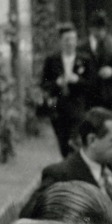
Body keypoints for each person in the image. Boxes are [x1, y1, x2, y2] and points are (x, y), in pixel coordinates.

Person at [39, 23, 93, 155]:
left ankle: (76, 167)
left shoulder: (85, 59)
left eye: (73, 39)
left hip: (78, 107)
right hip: (59, 108)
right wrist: (57, 83)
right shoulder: (52, 60)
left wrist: (78, 80)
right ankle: (67, 168)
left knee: (75, 141)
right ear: (60, 42)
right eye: (66, 40)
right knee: (63, 144)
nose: (70, 43)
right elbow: (44, 83)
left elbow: (92, 84)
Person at [85, 10, 112, 112]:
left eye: (102, 29)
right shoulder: (82, 47)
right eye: (96, 29)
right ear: (90, 29)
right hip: (89, 96)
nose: (99, 32)